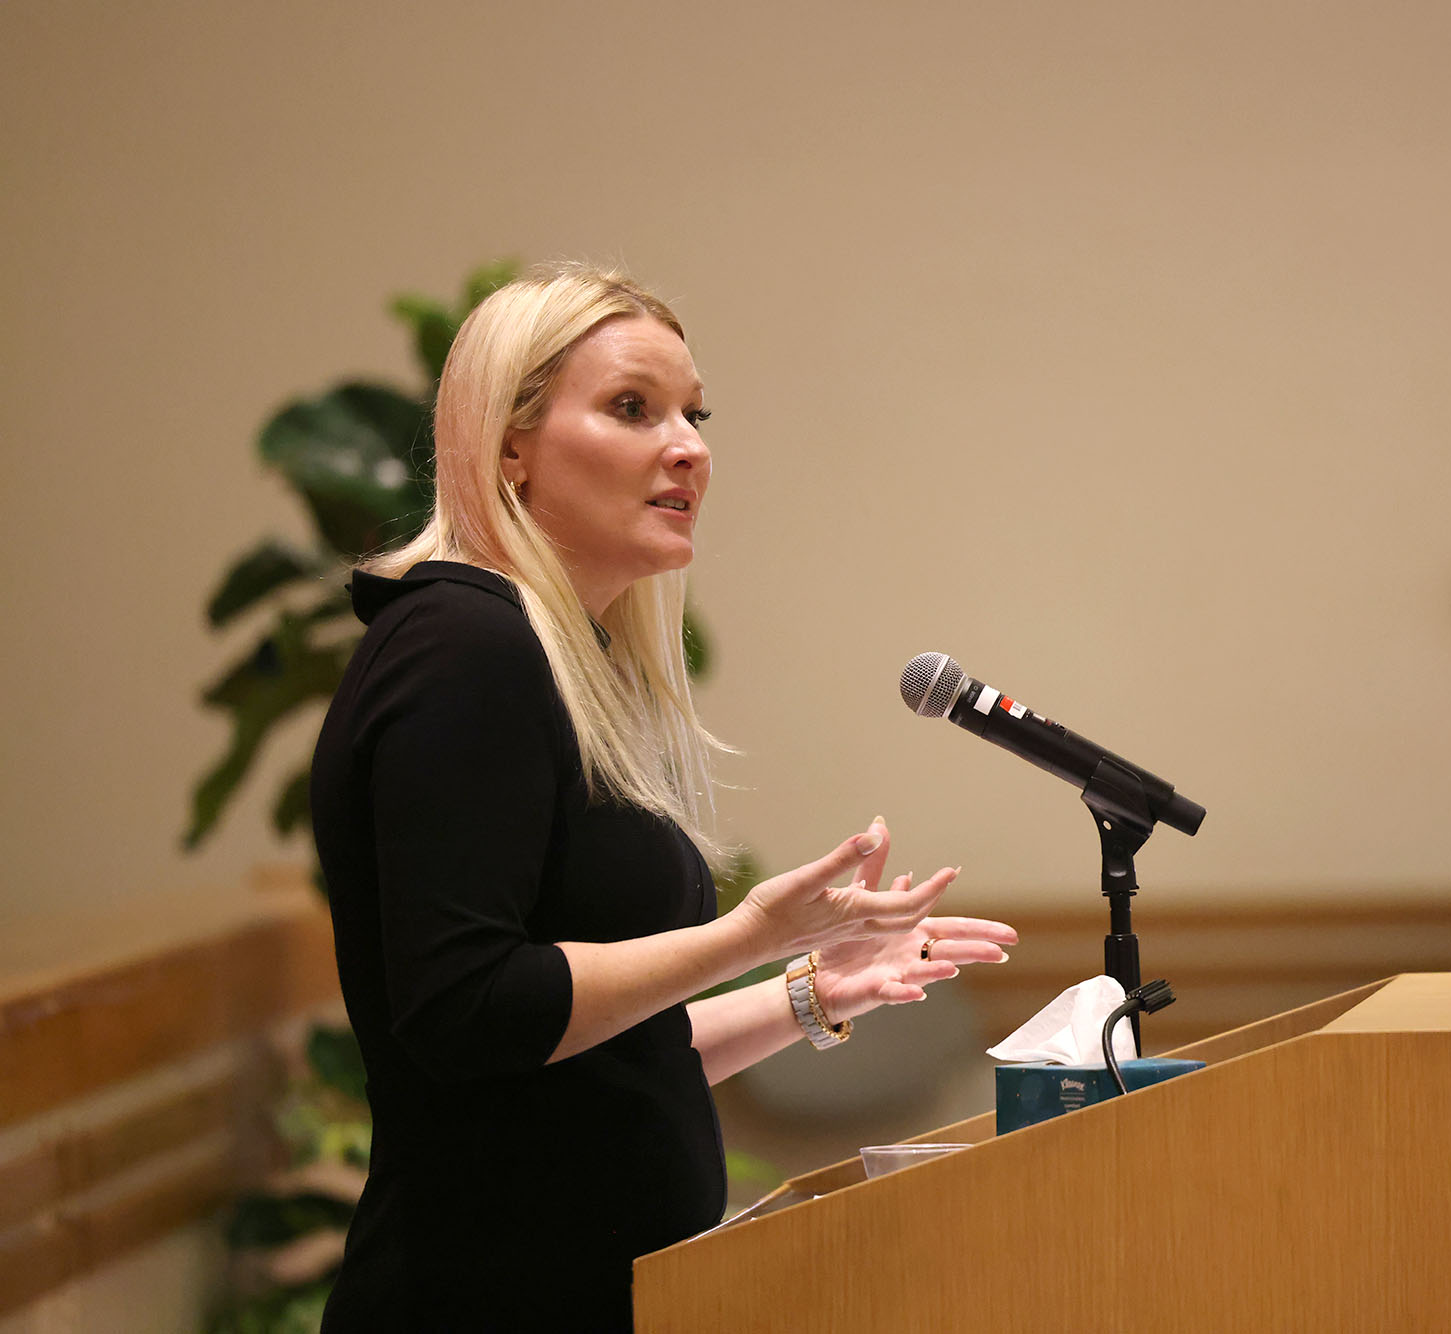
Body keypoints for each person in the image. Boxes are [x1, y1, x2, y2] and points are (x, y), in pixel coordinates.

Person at [309, 261, 1016, 1333]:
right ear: (510, 444)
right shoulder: (462, 646)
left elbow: (602, 1051)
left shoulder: (551, 658)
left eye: (694, 412)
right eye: (632, 408)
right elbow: (468, 1009)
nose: (687, 444)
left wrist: (809, 989)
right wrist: (747, 933)